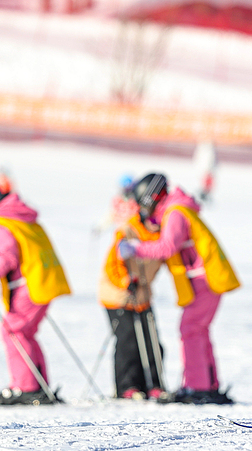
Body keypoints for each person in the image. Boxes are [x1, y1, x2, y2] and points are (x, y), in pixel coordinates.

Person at [118, 173, 241, 405]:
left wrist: (136, 248)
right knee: (198, 330)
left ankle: (197, 386)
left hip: (204, 280)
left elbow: (168, 246)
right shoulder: (177, 210)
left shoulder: (175, 212)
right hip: (204, 279)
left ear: (150, 198)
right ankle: (207, 384)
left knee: (190, 329)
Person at [0, 181, 71, 406]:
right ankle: (38, 385)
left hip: (29, 283)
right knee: (23, 332)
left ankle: (26, 387)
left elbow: (9, 257)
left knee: (13, 331)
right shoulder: (18, 213)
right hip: (43, 279)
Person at [99, 206, 167, 401]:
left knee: (151, 340)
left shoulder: (163, 238)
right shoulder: (128, 231)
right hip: (118, 295)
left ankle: (153, 384)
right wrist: (124, 281)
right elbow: (113, 264)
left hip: (142, 295)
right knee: (128, 341)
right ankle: (126, 386)